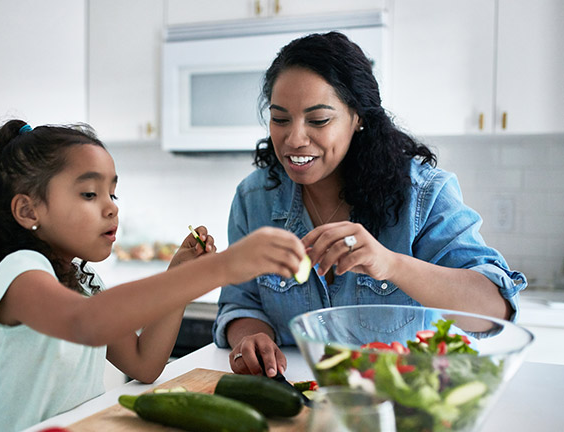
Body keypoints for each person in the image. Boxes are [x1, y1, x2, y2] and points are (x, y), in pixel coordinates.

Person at [0, 119, 307, 432]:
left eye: (113, 195)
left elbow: (144, 363)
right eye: (89, 194)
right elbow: (85, 323)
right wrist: (222, 266)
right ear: (28, 210)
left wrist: (179, 275)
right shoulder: (21, 271)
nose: (111, 209)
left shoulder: (85, 284)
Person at [212, 32, 527, 378]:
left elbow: (494, 311)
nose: (294, 139)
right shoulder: (253, 199)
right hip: (294, 400)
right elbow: (241, 302)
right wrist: (252, 335)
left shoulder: (422, 194)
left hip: (403, 404)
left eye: (318, 120)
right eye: (280, 119)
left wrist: (391, 264)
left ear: (357, 117)